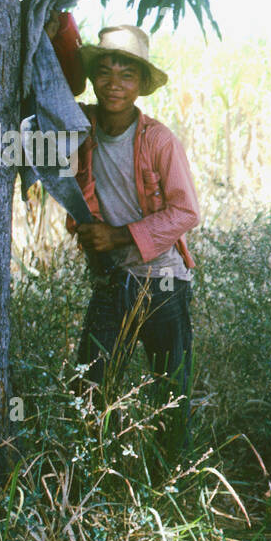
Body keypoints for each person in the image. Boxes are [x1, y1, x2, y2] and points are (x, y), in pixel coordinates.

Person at [66, 25, 201, 460]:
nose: (113, 84)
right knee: (90, 385)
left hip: (161, 279)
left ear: (141, 85)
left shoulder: (158, 139)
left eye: (126, 75)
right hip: (112, 278)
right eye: (104, 72)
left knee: (170, 390)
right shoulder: (79, 127)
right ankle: (100, 473)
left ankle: (169, 479)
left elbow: (186, 212)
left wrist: (118, 235)